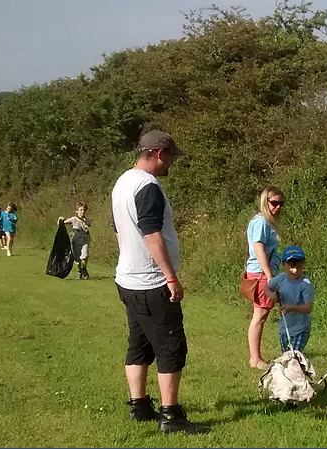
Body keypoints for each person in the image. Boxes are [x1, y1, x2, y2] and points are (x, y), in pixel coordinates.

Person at [111, 130, 209, 434]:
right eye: (170, 158)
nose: (171, 164)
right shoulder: (148, 186)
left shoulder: (123, 181)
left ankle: (139, 407)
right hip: (152, 283)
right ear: (157, 154)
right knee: (171, 347)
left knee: (138, 344)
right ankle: (171, 416)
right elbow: (151, 233)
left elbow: (116, 226)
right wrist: (170, 276)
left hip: (127, 279)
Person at [245, 185, 284, 370]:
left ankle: (255, 356)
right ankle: (255, 358)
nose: (277, 207)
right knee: (260, 315)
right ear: (265, 201)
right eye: (274, 203)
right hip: (261, 273)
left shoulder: (265, 222)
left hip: (262, 272)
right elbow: (258, 248)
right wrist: (269, 276)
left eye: (280, 204)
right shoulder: (261, 222)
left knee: (260, 314)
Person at [264, 245, 314, 353]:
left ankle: (300, 369)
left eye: (299, 267)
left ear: (303, 265)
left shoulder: (305, 284)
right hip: (285, 328)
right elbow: (266, 287)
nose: (295, 271)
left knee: (293, 357)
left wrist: (291, 308)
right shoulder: (281, 278)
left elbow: (308, 307)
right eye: (291, 267)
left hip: (301, 329)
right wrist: (272, 296)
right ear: (284, 265)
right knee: (285, 356)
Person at [59, 202, 92, 280]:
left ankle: (84, 269)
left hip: (85, 239)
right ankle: (79, 271)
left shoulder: (87, 219)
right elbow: (62, 223)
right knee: (77, 259)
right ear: (77, 211)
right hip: (76, 240)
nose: (82, 212)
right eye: (80, 210)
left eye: (84, 210)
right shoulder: (73, 219)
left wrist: (87, 223)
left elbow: (88, 225)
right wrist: (61, 219)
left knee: (84, 256)